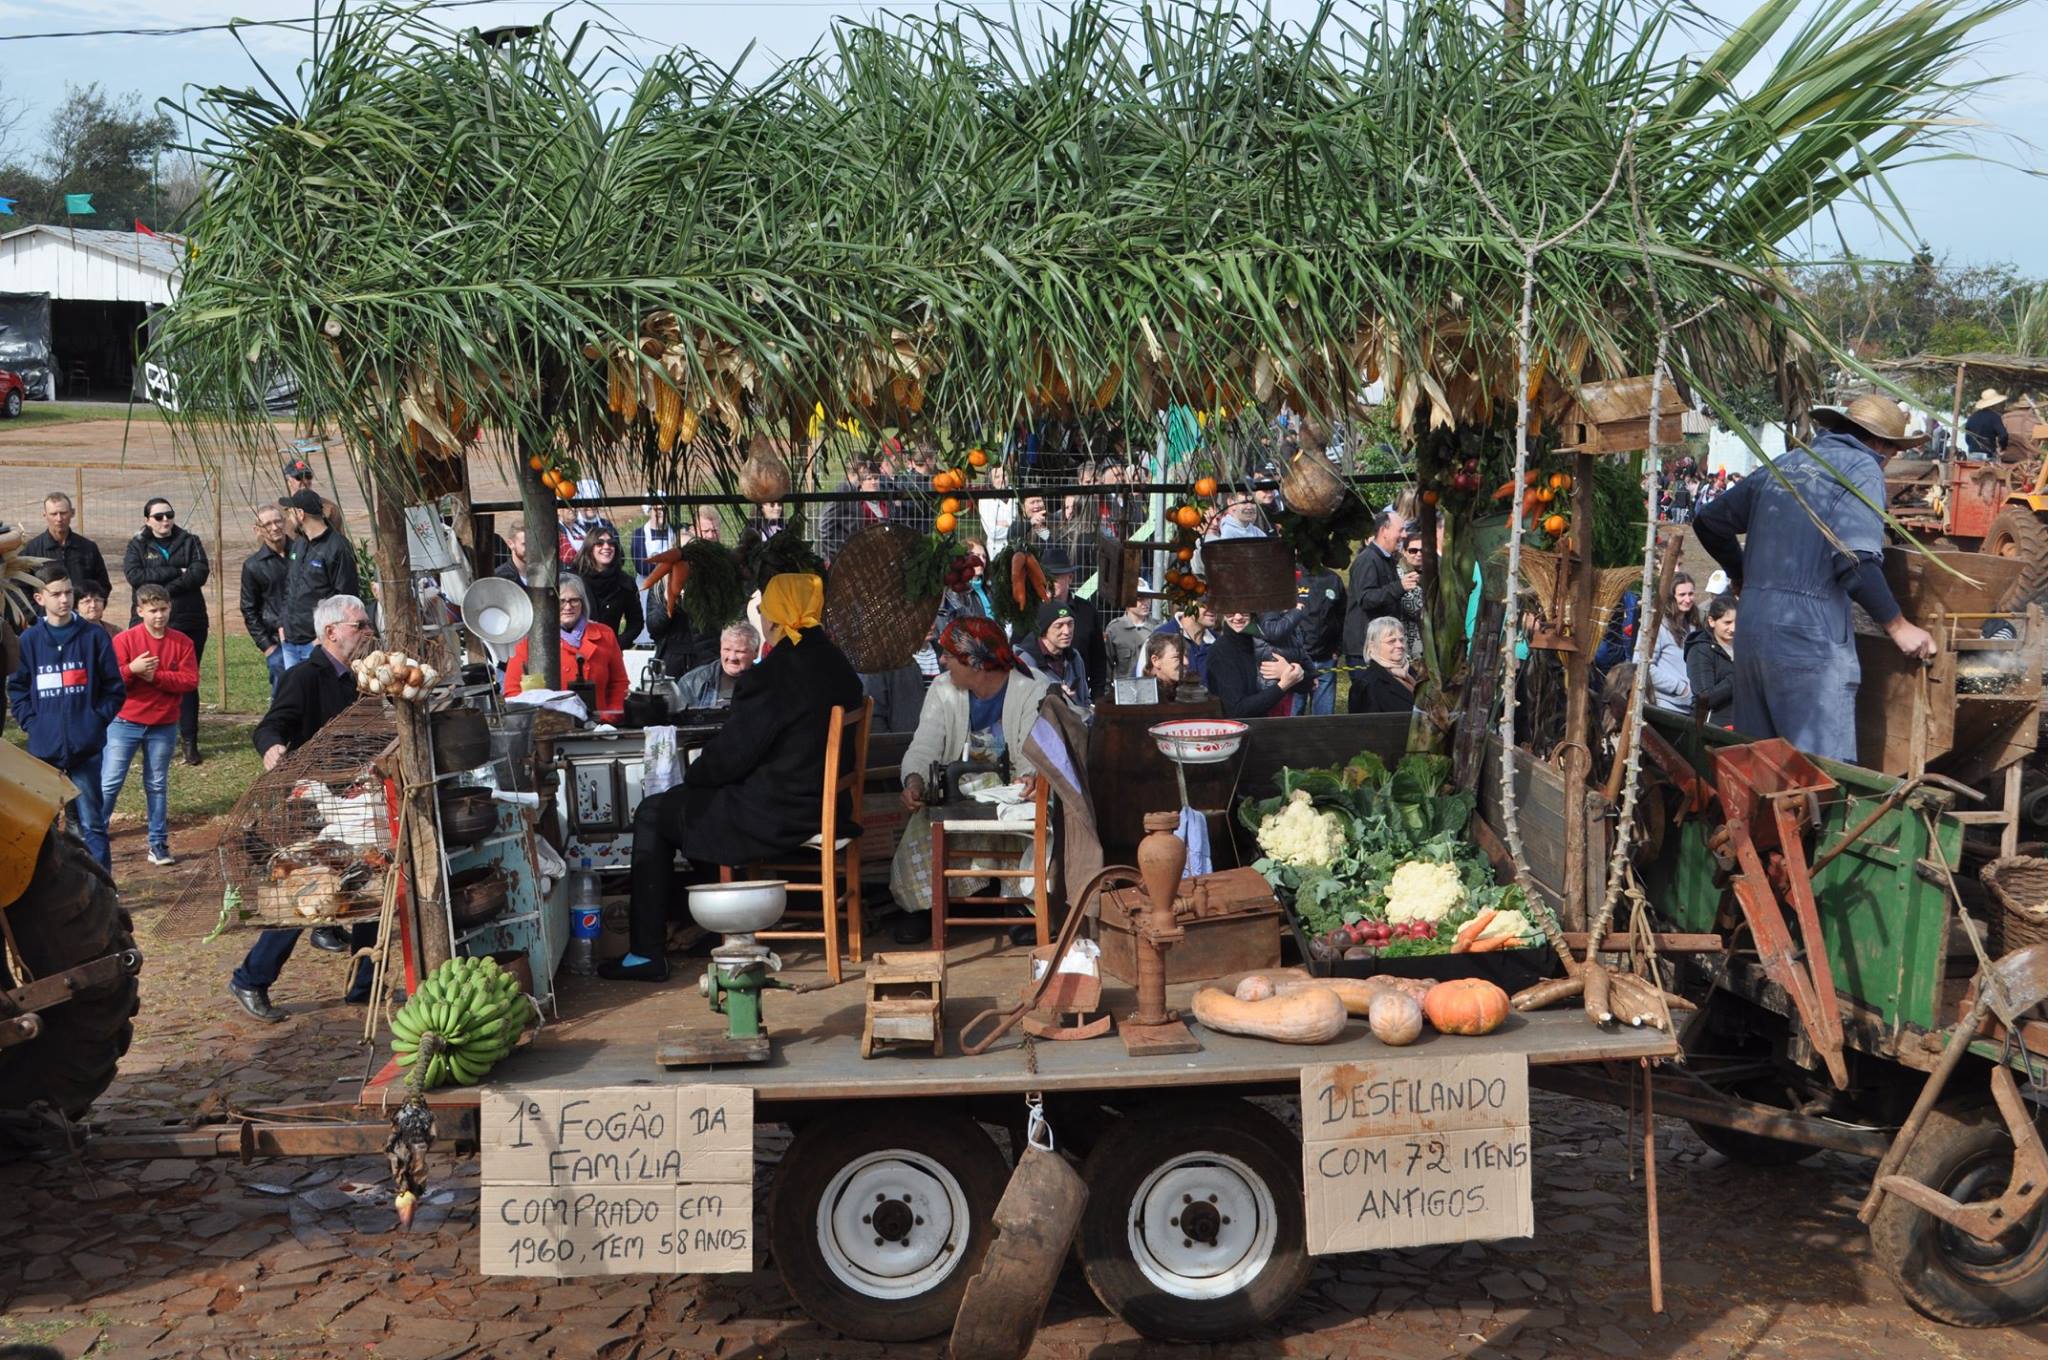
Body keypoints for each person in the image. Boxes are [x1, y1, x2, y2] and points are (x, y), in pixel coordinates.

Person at [605, 575, 863, 980]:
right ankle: (718, 926)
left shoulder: (773, 674)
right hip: (825, 803)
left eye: (763, 611)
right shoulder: (837, 663)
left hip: (781, 812)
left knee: (656, 812)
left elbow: (730, 760)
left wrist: (693, 778)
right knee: (696, 806)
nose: (760, 616)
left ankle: (646, 953)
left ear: (776, 617)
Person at [1694, 395, 1936, 762]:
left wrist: (1743, 574)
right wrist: (1899, 627)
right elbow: (1854, 562)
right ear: (1881, 444)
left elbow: (1709, 522)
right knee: (1817, 778)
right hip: (1807, 638)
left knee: (1759, 767)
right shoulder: (1861, 468)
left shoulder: (1788, 462)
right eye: (1892, 452)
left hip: (1754, 629)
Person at [889, 616, 1097, 945]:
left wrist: (1032, 777)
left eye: (949, 655)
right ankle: (920, 906)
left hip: (1016, 790)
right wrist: (914, 779)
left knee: (1029, 822)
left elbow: (1038, 748)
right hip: (961, 792)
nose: (942, 661)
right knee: (924, 824)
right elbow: (925, 744)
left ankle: (1022, 906)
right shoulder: (943, 691)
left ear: (974, 662)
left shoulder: (1033, 689)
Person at [229, 594, 379, 1021]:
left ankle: (362, 982)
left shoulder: (361, 678)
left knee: (372, 886)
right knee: (307, 897)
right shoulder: (304, 676)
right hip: (316, 803)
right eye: (361, 626)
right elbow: (272, 724)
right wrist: (272, 747)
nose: (368, 632)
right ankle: (250, 979)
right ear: (332, 632)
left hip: (357, 799)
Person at [7, 566, 124, 869]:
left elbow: (114, 688)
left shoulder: (94, 637)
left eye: (68, 592)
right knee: (41, 827)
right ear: (39, 598)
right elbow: (17, 688)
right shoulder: (29, 641)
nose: (64, 599)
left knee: (93, 824)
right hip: (44, 752)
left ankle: (104, 887)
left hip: (85, 751)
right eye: (56, 594)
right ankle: (46, 891)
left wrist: (94, 721)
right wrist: (34, 724)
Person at [101, 583, 198, 866]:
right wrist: (132, 670)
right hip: (124, 722)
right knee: (110, 782)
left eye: (163, 609)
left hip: (163, 724)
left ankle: (158, 843)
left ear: (170, 608)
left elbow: (190, 680)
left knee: (156, 784)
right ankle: (94, 834)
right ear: (139, 611)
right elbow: (111, 679)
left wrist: (155, 678)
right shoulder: (124, 641)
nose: (159, 616)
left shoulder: (182, 643)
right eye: (152, 610)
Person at [121, 498, 210, 766]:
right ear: (147, 519)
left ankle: (189, 742)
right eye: (158, 516)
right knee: (148, 676)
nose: (164, 521)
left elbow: (199, 573)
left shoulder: (190, 541)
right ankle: (149, 736)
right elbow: (135, 577)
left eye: (168, 515)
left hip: (189, 620)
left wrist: (162, 591)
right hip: (147, 626)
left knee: (185, 682)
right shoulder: (137, 544)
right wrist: (175, 571)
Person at [502, 573, 628, 722]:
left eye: (574, 600)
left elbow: (619, 683)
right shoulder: (529, 641)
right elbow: (513, 692)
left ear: (583, 602)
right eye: (561, 601)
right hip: (549, 727)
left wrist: (611, 715)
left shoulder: (605, 634)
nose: (568, 607)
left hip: (598, 726)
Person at [1342, 509, 1410, 677]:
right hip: (1365, 649)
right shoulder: (1368, 560)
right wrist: (1399, 587)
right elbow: (1366, 599)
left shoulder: (1386, 559)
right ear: (1384, 531)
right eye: (1400, 530)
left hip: (1379, 647)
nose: (1404, 535)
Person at [1206, 611, 1307, 718]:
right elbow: (1237, 710)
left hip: (1277, 724)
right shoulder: (1221, 651)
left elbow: (1308, 684)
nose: (1238, 617)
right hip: (1242, 730)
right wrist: (1283, 685)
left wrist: (1290, 671)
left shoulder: (1269, 639)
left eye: (1244, 610)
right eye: (1230, 611)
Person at [239, 504, 294, 694]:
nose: (274, 527)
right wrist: (267, 646)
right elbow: (248, 609)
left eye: (278, 521)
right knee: (283, 697)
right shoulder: (253, 566)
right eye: (267, 524)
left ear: (285, 522)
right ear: (258, 530)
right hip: (277, 643)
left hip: (308, 638)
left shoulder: (303, 553)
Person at [24, 492, 111, 611]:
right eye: (54, 514)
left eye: (63, 513)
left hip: (83, 620)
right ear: (45, 515)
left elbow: (103, 586)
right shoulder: (32, 550)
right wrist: (37, 616)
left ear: (72, 513)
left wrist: (89, 609)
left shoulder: (88, 548)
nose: (59, 519)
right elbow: (20, 588)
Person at [1293, 562, 1347, 716]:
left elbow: (1343, 615)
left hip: (1326, 658)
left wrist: (1338, 648)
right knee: (1292, 716)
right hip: (1295, 661)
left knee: (1324, 718)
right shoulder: (1289, 577)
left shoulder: (1332, 579)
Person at [573, 529, 643, 647]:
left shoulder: (625, 583)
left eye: (611, 543)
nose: (606, 547)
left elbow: (636, 622)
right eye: (599, 543)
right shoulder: (573, 580)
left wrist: (617, 644)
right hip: (576, 648)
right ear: (589, 547)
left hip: (608, 651)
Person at [1019, 599, 1091, 711]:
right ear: (1044, 629)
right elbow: (1022, 710)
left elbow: (1084, 701)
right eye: (1059, 626)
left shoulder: (1074, 657)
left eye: (1070, 624)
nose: (1067, 631)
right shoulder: (1025, 662)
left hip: (1076, 725)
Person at [1647, 572, 1698, 713]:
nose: (1687, 599)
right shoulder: (1658, 626)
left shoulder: (1692, 627)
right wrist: (1680, 688)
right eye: (1682, 595)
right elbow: (1643, 667)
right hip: (1665, 706)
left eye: (1691, 594)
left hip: (1690, 708)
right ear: (1671, 597)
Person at [677, 623, 760, 709]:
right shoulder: (691, 682)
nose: (732, 657)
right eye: (727, 650)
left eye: (739, 652)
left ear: (756, 652)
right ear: (720, 648)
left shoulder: (769, 682)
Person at [1348, 616, 1418, 715]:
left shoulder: (1414, 673)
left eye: (1401, 640)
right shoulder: (1366, 685)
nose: (1400, 645)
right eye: (1391, 641)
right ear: (1372, 646)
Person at [1686, 595, 1738, 728]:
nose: (1733, 629)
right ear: (1712, 621)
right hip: (1712, 727)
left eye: (1737, 622)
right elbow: (1705, 697)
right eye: (1727, 622)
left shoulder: (1744, 648)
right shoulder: (1700, 650)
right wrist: (1738, 677)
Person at [281, 449, 345, 531]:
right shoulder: (277, 512)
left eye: (308, 476)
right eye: (299, 477)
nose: (305, 481)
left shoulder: (330, 508)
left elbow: (340, 540)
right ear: (288, 481)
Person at [1104, 596, 1155, 681]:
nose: (1146, 603)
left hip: (1151, 687)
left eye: (1148, 598)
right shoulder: (1115, 629)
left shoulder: (1157, 628)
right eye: (1139, 599)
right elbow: (1106, 664)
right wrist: (1108, 690)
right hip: (1125, 688)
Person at [1141, 631, 1192, 700]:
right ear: (1155, 661)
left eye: (1186, 656)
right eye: (1177, 657)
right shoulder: (1141, 696)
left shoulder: (1188, 691)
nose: (1186, 662)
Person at [976, 465, 1015, 555]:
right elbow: (993, 532)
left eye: (1004, 475)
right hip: (996, 552)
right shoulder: (985, 499)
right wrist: (1015, 525)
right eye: (997, 477)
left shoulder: (1016, 494)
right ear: (990, 480)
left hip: (1018, 550)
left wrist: (1005, 523)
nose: (1002, 479)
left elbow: (1025, 522)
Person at [630, 505, 675, 579]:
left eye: (665, 509)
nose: (663, 512)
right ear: (649, 512)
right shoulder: (639, 534)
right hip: (647, 585)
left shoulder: (675, 531)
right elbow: (642, 568)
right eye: (658, 509)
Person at [1965, 388, 2010, 458]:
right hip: (1988, 454)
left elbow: (1967, 438)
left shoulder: (1972, 417)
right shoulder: (1995, 417)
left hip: (1972, 454)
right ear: (1994, 404)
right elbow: (2003, 435)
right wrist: (2003, 448)